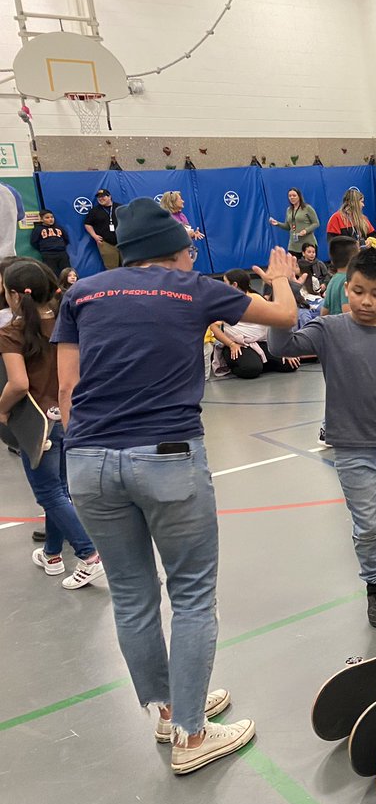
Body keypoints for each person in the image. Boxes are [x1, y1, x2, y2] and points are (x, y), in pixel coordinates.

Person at [53, 197, 299, 773]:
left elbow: (67, 389)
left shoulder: (81, 293)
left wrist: (88, 444)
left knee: (132, 596)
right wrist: (280, 279)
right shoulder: (193, 289)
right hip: (167, 457)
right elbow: (285, 318)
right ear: (177, 251)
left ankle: (169, 711)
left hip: (86, 460)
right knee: (191, 595)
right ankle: (192, 734)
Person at [267, 247, 376, 624]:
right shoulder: (329, 330)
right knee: (367, 525)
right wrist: (283, 289)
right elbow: (280, 346)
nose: (366, 301)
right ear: (346, 287)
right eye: (359, 291)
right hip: (350, 449)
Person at [0, 259, 103, 589]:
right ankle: (52, 554)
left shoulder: (12, 333)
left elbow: (18, 384)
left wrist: (1, 410)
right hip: (70, 416)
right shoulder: (67, 321)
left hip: (38, 425)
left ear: (15, 296)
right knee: (59, 490)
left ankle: (90, 555)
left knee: (49, 493)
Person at [209, 269, 300, 379]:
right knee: (251, 370)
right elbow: (213, 326)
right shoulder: (224, 303)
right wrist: (231, 344)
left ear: (234, 285)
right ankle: (242, 362)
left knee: (290, 365)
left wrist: (283, 349)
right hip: (238, 345)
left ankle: (260, 361)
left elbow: (274, 321)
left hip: (261, 341)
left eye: (225, 282)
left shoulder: (256, 298)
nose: (223, 285)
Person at [269, 187, 320, 257]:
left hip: (307, 245)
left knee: (307, 263)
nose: (292, 198)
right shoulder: (289, 210)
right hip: (293, 246)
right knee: (293, 263)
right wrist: (277, 223)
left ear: (299, 196)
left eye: (294, 195)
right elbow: (288, 226)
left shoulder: (307, 208)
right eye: (290, 196)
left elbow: (316, 223)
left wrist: (306, 231)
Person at [321, 236, 359, 317]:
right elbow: (347, 312)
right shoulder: (348, 280)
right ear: (353, 259)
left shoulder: (333, 280)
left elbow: (324, 311)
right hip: (344, 324)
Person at [83, 188, 121, 270]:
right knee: (111, 268)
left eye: (103, 196)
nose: (101, 199)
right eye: (99, 197)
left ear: (109, 197)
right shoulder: (94, 211)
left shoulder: (120, 208)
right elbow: (87, 224)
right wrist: (95, 236)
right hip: (106, 243)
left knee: (129, 265)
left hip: (122, 241)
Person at [30, 209, 71, 275]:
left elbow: (66, 239)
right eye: (47, 218)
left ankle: (66, 282)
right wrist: (44, 249)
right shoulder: (38, 229)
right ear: (41, 219)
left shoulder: (59, 228)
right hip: (48, 254)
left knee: (66, 272)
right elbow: (34, 242)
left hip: (61, 253)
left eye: (52, 217)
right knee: (52, 273)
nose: (50, 219)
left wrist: (61, 246)